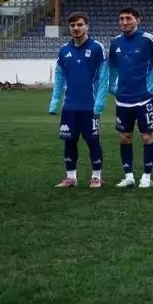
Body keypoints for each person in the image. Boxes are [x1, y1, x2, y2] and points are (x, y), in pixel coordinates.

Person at [108, 6, 153, 188]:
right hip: (123, 99)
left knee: (147, 137)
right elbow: (112, 67)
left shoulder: (148, 39)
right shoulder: (115, 42)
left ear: (137, 20)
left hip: (144, 98)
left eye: (128, 18)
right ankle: (128, 176)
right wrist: (112, 86)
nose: (124, 22)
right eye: (121, 19)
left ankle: (146, 176)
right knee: (125, 137)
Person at [49, 12, 108, 188]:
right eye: (73, 25)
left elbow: (103, 77)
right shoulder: (64, 50)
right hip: (69, 107)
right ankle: (71, 177)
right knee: (69, 141)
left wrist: (99, 103)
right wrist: (54, 101)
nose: (76, 28)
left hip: (90, 106)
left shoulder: (97, 48)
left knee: (92, 141)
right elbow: (59, 76)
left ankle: (96, 177)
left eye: (80, 24)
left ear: (87, 26)